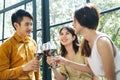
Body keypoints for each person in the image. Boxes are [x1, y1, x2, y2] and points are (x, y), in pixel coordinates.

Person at [53, 3, 120, 80]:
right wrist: (65, 62)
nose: (72, 24)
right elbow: (90, 69)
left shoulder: (102, 42)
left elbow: (111, 78)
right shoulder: (86, 43)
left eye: (75, 20)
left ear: (83, 20)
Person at [0, 9, 41, 80]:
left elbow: (36, 69)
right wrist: (23, 68)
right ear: (16, 25)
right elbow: (2, 75)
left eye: (31, 24)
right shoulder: (5, 46)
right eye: (27, 24)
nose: (30, 28)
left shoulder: (33, 43)